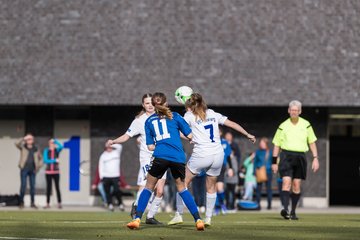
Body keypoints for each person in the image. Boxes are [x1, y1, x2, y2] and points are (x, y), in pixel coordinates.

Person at [168, 93, 256, 227]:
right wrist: (247, 134)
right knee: (211, 186)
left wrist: (190, 138)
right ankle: (208, 218)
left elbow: (180, 132)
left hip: (202, 154)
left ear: (190, 106)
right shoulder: (212, 113)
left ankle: (179, 214)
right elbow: (231, 124)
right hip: (218, 155)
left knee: (182, 183)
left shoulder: (189, 116)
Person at [126, 92, 205, 231]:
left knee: (148, 187)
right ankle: (198, 220)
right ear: (166, 103)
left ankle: (137, 219)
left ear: (154, 105)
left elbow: (150, 146)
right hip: (178, 157)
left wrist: (162, 145)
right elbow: (190, 135)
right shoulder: (175, 116)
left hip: (160, 157)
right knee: (182, 188)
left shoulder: (149, 121)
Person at [106, 93, 166, 224]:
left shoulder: (162, 118)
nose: (150, 105)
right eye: (147, 103)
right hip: (147, 158)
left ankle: (150, 217)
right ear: (143, 105)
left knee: (160, 191)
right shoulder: (139, 121)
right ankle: (137, 206)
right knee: (152, 186)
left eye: (151, 102)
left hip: (162, 157)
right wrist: (114, 141)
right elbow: (127, 136)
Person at [272, 100, 320, 220]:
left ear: (300, 111)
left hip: (300, 157)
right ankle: (285, 209)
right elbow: (276, 145)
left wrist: (315, 158)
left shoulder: (306, 124)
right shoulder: (282, 126)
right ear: (289, 111)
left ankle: (293, 212)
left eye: (296, 110)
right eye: (292, 110)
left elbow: (312, 142)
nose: (294, 112)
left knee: (296, 185)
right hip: (286, 156)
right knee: (286, 182)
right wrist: (274, 162)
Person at [15, 133, 42, 209]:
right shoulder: (23, 147)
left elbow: (41, 159)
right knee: (23, 186)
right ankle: (21, 202)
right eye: (28, 139)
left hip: (32, 170)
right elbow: (16, 143)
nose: (29, 140)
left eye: (30, 139)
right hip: (24, 169)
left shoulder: (36, 149)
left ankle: (32, 203)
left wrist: (38, 166)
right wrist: (24, 138)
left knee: (32, 187)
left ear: (33, 140)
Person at [98, 143, 124, 211]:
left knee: (117, 190)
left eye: (110, 147)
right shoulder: (103, 155)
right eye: (108, 147)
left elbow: (120, 146)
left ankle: (120, 204)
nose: (109, 148)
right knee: (107, 192)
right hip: (106, 177)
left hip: (115, 176)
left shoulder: (116, 152)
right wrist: (101, 177)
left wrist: (111, 144)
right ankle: (110, 204)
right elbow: (100, 166)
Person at [214, 128, 233, 215]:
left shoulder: (225, 143)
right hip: (212, 166)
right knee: (214, 188)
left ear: (221, 132)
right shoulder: (211, 142)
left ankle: (221, 205)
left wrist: (230, 168)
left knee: (220, 188)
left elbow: (228, 156)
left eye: (218, 131)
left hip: (222, 166)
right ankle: (217, 207)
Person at [43, 138, 63, 209]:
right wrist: (55, 160)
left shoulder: (57, 150)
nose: (52, 144)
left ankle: (59, 203)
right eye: (51, 143)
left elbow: (61, 146)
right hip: (48, 172)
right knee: (48, 188)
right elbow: (45, 160)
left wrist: (55, 141)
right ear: (49, 144)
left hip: (56, 172)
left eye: (53, 143)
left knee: (57, 187)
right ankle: (47, 203)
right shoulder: (46, 151)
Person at [254, 137, 273, 209]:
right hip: (259, 172)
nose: (261, 144)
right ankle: (258, 204)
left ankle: (269, 205)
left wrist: (271, 168)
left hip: (268, 172)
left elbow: (273, 162)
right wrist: (254, 172)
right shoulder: (258, 152)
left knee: (268, 189)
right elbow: (255, 162)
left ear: (266, 144)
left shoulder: (270, 152)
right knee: (258, 190)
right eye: (260, 143)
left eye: (262, 143)